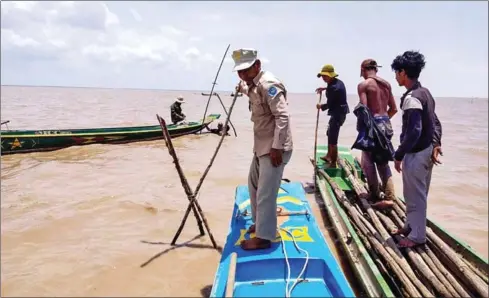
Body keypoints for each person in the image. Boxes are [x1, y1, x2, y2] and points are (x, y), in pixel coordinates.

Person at [232, 48, 293, 250]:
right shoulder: (252, 84)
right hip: (261, 146)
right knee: (254, 186)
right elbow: (248, 89)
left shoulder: (269, 85)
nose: (242, 75)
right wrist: (240, 86)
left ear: (257, 65)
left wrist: (277, 147)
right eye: (239, 71)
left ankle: (265, 238)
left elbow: (282, 117)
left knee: (266, 194)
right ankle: (260, 225)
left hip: (274, 147)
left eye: (246, 70)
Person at [390, 50, 443, 248]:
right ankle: (410, 225)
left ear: (404, 72)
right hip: (426, 151)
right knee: (413, 194)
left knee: (416, 195)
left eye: (397, 72)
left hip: (417, 154)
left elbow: (414, 131)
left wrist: (399, 154)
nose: (395, 76)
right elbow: (436, 123)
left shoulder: (412, 98)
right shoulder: (426, 93)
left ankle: (417, 237)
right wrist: (436, 143)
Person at [355, 59, 398, 209]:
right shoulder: (386, 84)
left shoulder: (364, 85)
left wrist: (369, 127)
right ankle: (389, 196)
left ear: (362, 69)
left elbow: (364, 110)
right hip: (386, 123)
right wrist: (382, 122)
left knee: (368, 161)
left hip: (373, 124)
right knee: (383, 160)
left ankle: (374, 194)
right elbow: (393, 109)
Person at [315, 64, 350, 167]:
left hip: (338, 113)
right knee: (329, 133)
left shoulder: (333, 88)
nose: (323, 78)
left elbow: (329, 104)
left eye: (325, 76)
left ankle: (333, 162)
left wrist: (320, 106)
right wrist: (324, 88)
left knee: (333, 138)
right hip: (339, 112)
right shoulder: (337, 82)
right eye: (322, 76)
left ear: (330, 75)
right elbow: (334, 89)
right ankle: (328, 155)